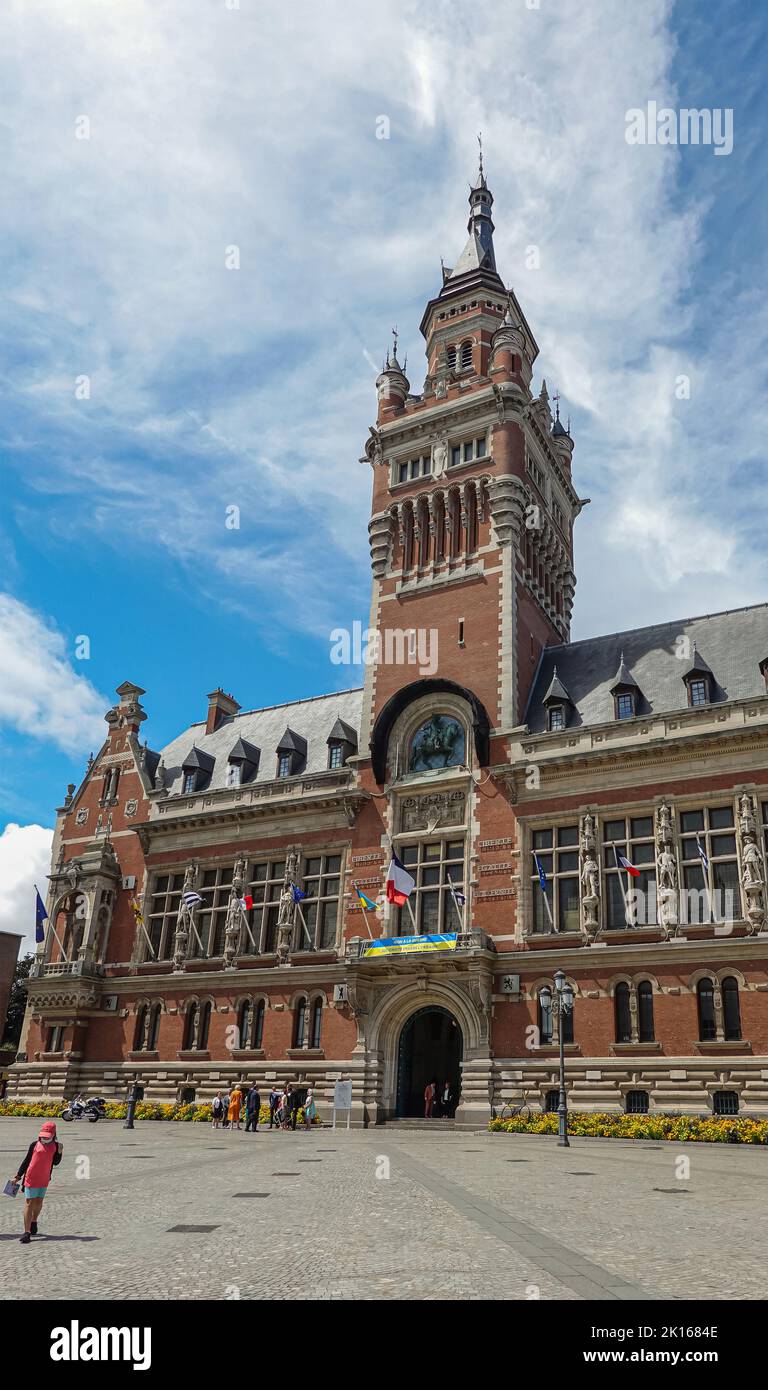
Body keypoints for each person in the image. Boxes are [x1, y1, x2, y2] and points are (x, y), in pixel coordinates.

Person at [12, 1120, 63, 1244]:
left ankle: (34, 1220)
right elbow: (26, 1161)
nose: (44, 1138)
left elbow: (55, 1162)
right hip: (30, 1178)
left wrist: (60, 1152)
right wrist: (17, 1176)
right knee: (29, 1203)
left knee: (39, 1201)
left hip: (44, 1178)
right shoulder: (34, 1145)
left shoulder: (56, 1146)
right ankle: (27, 1232)